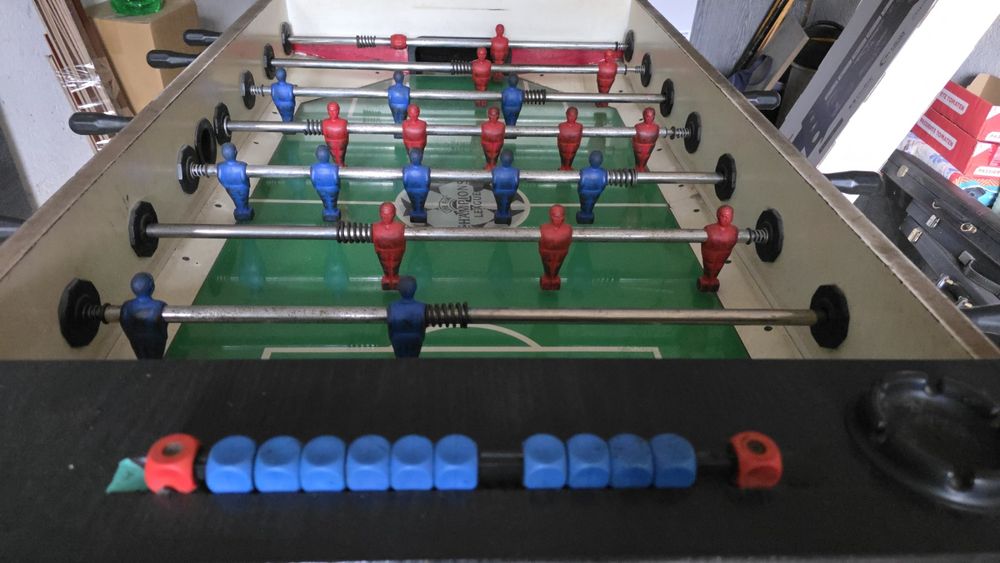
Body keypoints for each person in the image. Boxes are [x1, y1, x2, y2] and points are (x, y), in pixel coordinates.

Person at [538, 205, 573, 290]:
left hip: (547, 253)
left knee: (550, 267)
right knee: (555, 266)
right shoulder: (568, 229)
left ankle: (549, 279)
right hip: (558, 253)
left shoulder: (543, 228)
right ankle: (551, 279)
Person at [217, 143, 253, 222]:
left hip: (229, 188)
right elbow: (245, 179)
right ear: (235, 152)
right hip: (243, 188)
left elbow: (221, 180)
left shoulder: (219, 167)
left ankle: (240, 212)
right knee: (243, 202)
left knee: (237, 201)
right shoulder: (242, 166)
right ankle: (245, 211)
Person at [310, 145, 341, 222]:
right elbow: (336, 180)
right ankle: (333, 211)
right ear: (329, 155)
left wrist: (317, 187)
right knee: (333, 201)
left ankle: (328, 211)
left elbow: (313, 180)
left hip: (320, 189)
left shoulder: (313, 168)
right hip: (333, 189)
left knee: (325, 201)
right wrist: (338, 187)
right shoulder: (334, 168)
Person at [321, 101, 349, 166]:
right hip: (332, 146)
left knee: (340, 157)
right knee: (335, 157)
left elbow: (347, 138)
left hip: (341, 146)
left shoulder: (344, 122)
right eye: (330, 110)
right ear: (328, 111)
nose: (332, 113)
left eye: (334, 110)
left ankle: (341, 165)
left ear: (338, 111)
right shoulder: (325, 122)